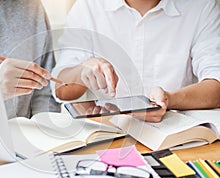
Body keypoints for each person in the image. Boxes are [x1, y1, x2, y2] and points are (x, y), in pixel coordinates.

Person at [52, 0, 220, 122]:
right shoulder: (88, 7)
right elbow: (61, 89)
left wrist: (169, 100)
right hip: (108, 132)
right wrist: (81, 73)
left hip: (176, 132)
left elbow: (216, 84)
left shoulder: (201, 6)